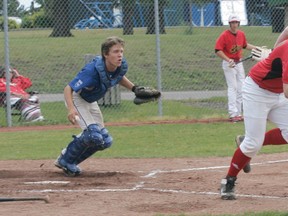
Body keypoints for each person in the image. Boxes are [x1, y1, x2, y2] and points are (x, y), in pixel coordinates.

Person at [54, 36, 160, 177]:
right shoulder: (91, 72)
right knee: (93, 135)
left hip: (90, 101)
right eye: (115, 51)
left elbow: (118, 77)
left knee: (104, 140)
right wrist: (71, 109)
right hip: (77, 99)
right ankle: (65, 160)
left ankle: (69, 162)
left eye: (121, 51)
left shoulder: (117, 67)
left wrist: (134, 89)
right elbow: (68, 88)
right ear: (106, 54)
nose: (120, 55)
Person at [220, 26, 288, 200]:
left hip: (277, 92)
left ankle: (245, 142)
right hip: (257, 91)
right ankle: (228, 180)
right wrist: (276, 54)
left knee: (259, 141)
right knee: (252, 143)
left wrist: (273, 52)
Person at [215, 14, 258, 123]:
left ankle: (238, 113)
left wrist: (257, 48)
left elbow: (245, 45)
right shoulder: (224, 35)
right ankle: (232, 113)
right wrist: (228, 59)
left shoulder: (241, 34)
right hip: (229, 63)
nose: (234, 24)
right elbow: (218, 50)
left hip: (239, 63)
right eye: (232, 22)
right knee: (233, 87)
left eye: (236, 22)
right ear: (229, 24)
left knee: (241, 87)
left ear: (238, 23)